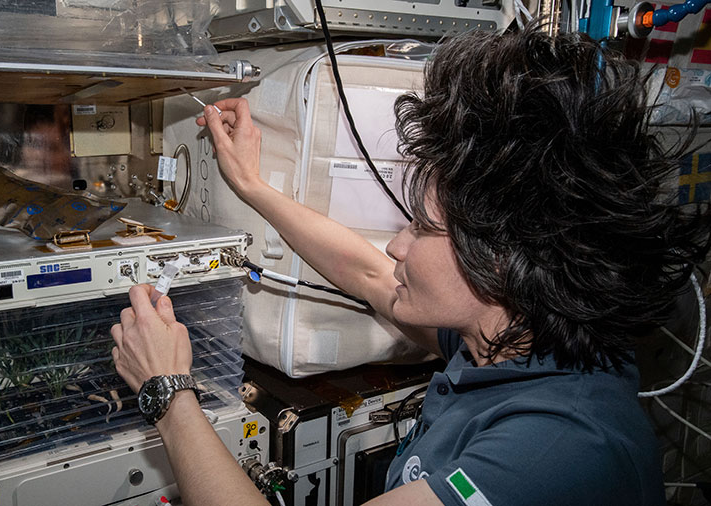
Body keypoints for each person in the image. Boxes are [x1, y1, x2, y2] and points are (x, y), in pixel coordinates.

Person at [110, 24, 711, 506]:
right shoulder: (518, 338)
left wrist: (169, 395)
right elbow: (372, 278)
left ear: (501, 262)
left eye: (422, 226)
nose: (397, 245)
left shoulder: (557, 452)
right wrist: (254, 187)